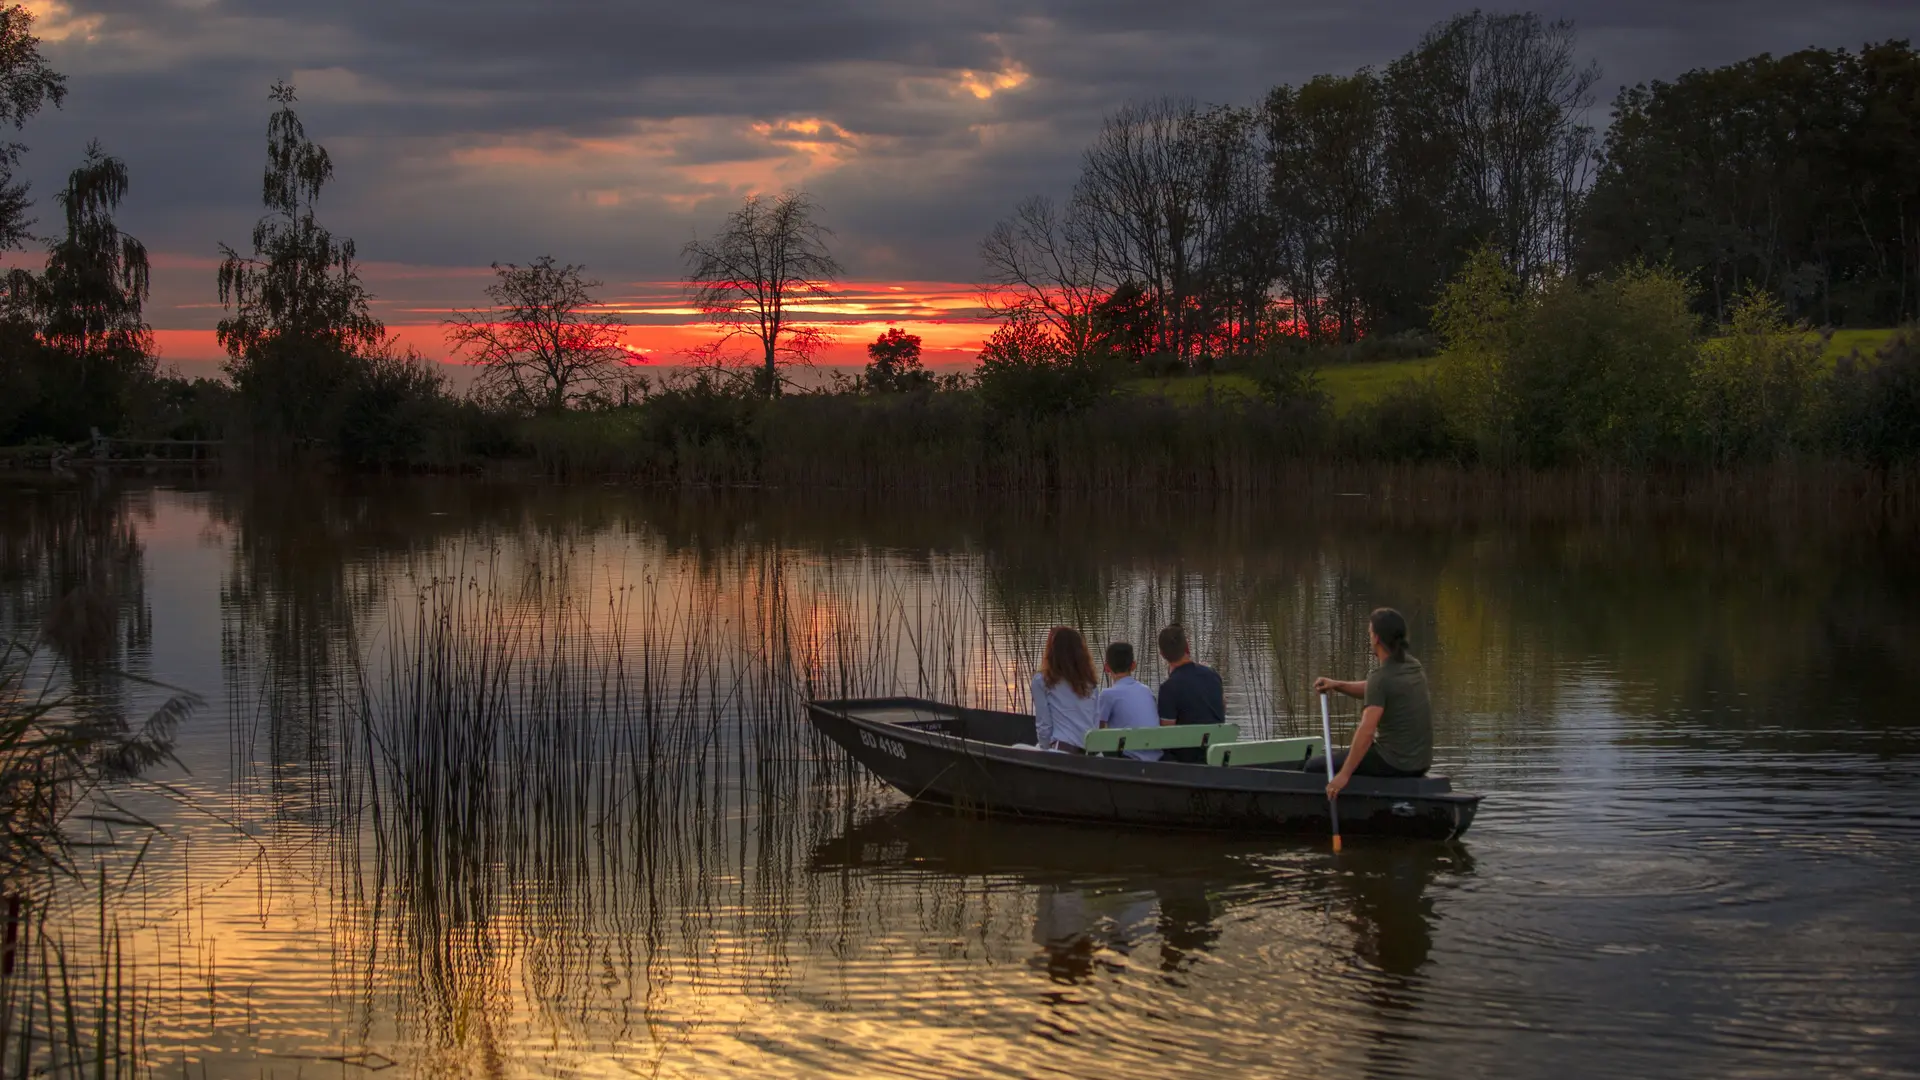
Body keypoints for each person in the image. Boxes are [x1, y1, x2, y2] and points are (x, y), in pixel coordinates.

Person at [1310, 607, 1433, 799]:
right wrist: (1337, 685)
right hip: (1420, 763)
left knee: (1314, 767)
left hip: (1394, 763)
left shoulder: (1381, 677)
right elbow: (1377, 689)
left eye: (1369, 633)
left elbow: (1367, 731)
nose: (1369, 638)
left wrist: (1343, 775)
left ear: (1376, 638)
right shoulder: (1413, 667)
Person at [1155, 624, 1224, 764]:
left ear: (1162, 654)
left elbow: (1167, 734)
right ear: (1187, 647)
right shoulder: (1213, 675)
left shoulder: (1168, 688)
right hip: (1216, 752)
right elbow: (1222, 708)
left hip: (1187, 760)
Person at [1031, 626, 1099, 752]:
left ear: (1051, 651)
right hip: (1090, 753)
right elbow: (1095, 723)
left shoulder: (1041, 680)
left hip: (1062, 751)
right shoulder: (1090, 683)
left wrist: (1044, 752)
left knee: (1016, 748)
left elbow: (1044, 726)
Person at [1095, 641, 1162, 761]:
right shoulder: (1146, 690)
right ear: (1133, 665)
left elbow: (1098, 732)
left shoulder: (1107, 695)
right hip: (1156, 755)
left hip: (1131, 758)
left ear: (1106, 668)